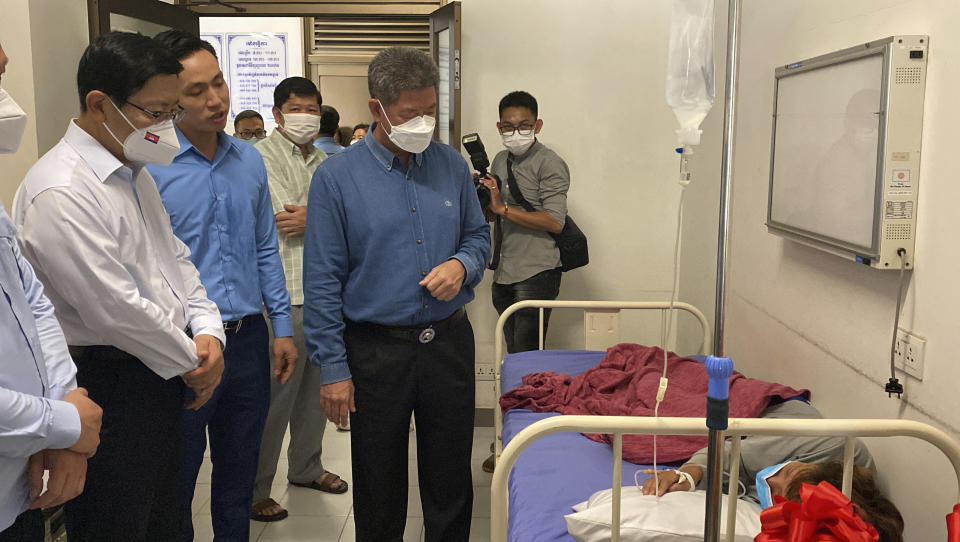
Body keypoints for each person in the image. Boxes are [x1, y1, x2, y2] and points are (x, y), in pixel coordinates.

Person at [11, 32, 227, 541]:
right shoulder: (62, 190)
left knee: (167, 520)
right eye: (156, 112)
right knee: (117, 521)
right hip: (111, 379)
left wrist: (209, 331)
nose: (167, 127)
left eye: (173, 110)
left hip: (160, 371)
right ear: (99, 105)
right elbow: (114, 309)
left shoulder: (133, 171)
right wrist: (191, 362)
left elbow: (175, 260)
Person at [303, 46, 490, 542]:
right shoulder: (337, 178)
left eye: (431, 110)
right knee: (378, 480)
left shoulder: (450, 165)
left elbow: (478, 238)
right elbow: (321, 279)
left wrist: (461, 264)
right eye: (411, 113)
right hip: (375, 349)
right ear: (377, 109)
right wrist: (334, 370)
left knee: (451, 476)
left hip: (448, 343)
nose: (424, 122)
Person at [147, 30, 297, 541]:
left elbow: (264, 249)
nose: (215, 100)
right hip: (184, 345)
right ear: (169, 97)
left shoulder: (249, 161)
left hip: (249, 338)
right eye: (195, 91)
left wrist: (281, 327)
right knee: (177, 482)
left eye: (219, 83)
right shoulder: (151, 167)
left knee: (239, 483)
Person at [0, 41, 104, 542]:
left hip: (17, 485)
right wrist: (62, 423)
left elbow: (33, 306)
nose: (7, 103)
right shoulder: (56, 185)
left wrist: (65, 412)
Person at [250, 76, 347, 524]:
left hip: (325, 294)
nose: (305, 117)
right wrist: (320, 217)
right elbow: (281, 218)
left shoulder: (327, 162)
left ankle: (306, 467)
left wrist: (318, 218)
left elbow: (338, 221)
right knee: (275, 400)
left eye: (312, 109)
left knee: (316, 394)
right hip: (281, 298)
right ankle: (255, 489)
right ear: (277, 113)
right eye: (296, 108)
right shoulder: (255, 159)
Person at [641, 399, 904, 542]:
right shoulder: (839, 447)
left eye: (775, 492)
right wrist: (690, 474)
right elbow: (732, 453)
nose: (771, 480)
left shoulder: (845, 525)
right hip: (771, 409)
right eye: (787, 473)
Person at [477, 90, 570, 473]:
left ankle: (519, 448)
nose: (517, 132)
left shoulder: (551, 163)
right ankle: (510, 440)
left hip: (538, 271)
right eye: (509, 126)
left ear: (538, 125)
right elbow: (497, 215)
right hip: (505, 271)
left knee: (528, 361)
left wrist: (503, 208)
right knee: (512, 359)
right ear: (499, 127)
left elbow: (555, 221)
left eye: (524, 125)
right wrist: (486, 198)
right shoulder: (499, 159)